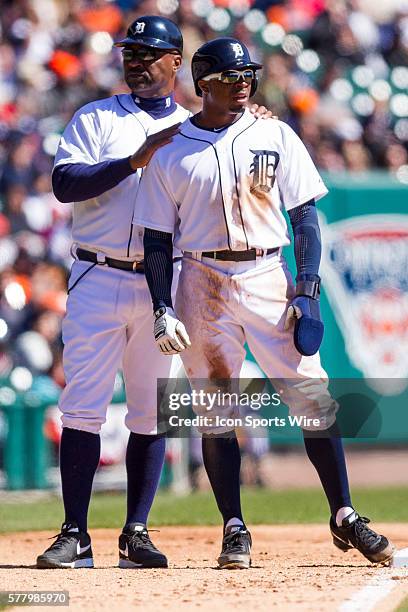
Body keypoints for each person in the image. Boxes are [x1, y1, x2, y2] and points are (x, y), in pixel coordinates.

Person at [133, 37, 394, 570]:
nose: (244, 82)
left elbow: (304, 217)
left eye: (247, 74)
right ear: (203, 83)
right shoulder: (173, 151)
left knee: (313, 397)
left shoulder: (274, 132)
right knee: (215, 410)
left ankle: (343, 513)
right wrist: (163, 306)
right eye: (232, 76)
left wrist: (307, 288)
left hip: (266, 271)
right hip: (201, 276)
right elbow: (157, 239)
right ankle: (233, 525)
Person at [36, 17, 273, 570]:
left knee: (151, 412)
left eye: (150, 52)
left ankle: (136, 532)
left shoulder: (196, 128)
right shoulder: (94, 117)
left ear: (176, 62)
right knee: (83, 408)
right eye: (131, 52)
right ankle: (75, 533)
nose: (137, 61)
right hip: (96, 274)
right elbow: (64, 184)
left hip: (161, 282)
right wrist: (132, 160)